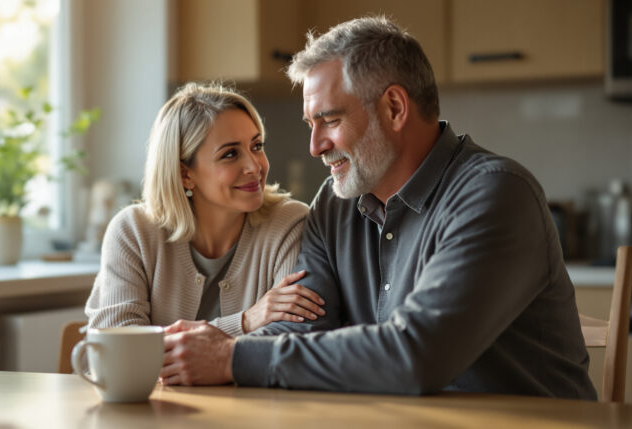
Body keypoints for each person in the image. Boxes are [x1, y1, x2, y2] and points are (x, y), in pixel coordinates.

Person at [158, 17, 597, 399]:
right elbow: (301, 330)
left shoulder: (495, 195)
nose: (315, 147)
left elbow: (417, 355)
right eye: (311, 125)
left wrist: (230, 356)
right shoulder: (334, 204)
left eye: (329, 120)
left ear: (394, 107)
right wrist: (205, 357)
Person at [85, 83, 325, 337]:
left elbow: (289, 340)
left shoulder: (289, 224)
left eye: (256, 146)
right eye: (230, 154)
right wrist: (245, 321)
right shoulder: (133, 232)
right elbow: (117, 348)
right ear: (184, 174)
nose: (254, 166)